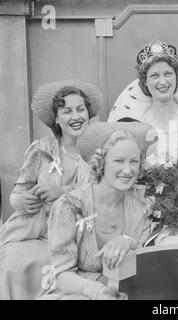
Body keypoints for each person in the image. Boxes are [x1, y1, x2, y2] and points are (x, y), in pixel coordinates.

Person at [0, 80, 101, 300]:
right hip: (39, 232)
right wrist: (23, 200)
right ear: (56, 118)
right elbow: (16, 195)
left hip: (80, 237)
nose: (75, 117)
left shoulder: (99, 151)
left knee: (60, 266)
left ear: (88, 113)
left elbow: (102, 195)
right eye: (67, 111)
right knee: (13, 261)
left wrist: (62, 191)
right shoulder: (41, 149)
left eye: (80, 109)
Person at [39, 122, 156, 300]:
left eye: (134, 161)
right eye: (118, 161)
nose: (127, 170)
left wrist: (129, 242)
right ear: (102, 162)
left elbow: (152, 263)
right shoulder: (69, 205)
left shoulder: (145, 203)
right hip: (79, 291)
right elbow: (61, 274)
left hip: (131, 290)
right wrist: (98, 291)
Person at [107, 40, 178, 164]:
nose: (162, 82)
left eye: (168, 74)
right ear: (145, 81)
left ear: (176, 77)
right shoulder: (139, 123)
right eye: (154, 76)